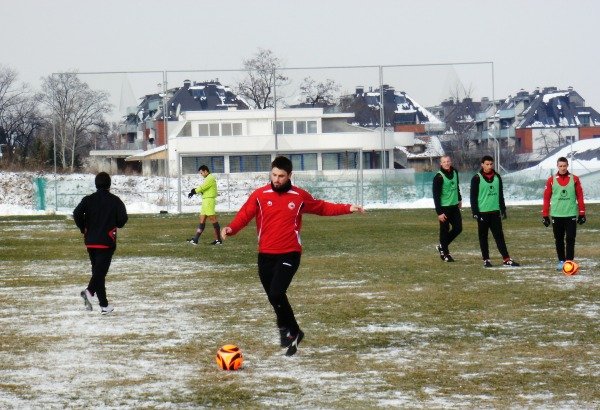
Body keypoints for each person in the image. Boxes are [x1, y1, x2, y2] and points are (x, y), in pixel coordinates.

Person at [221, 156, 365, 356]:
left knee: (276, 293)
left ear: (289, 176)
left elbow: (322, 207)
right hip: (265, 255)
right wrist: (231, 229)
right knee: (273, 297)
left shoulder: (299, 196)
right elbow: (245, 215)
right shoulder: (260, 195)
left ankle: (294, 331)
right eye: (274, 175)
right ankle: (283, 327)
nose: (277, 179)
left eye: (281, 176)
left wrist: (348, 208)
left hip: (289, 253)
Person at [74, 172, 128, 314]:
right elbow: (123, 220)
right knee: (100, 273)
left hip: (91, 242)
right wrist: (114, 222)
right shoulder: (115, 200)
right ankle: (89, 292)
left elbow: (76, 213)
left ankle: (104, 305)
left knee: (98, 272)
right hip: (106, 241)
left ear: (96, 184)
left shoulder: (88, 200)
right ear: (109, 185)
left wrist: (83, 227)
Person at [470, 155, 520, 268]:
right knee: (483, 237)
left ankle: (506, 259)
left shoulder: (497, 177)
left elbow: (500, 194)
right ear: (482, 165)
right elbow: (473, 197)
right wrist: (475, 213)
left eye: (491, 164)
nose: (489, 166)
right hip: (483, 213)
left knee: (499, 236)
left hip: (495, 212)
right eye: (487, 164)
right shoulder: (476, 178)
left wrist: (503, 209)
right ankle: (486, 260)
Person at [542, 156, 586, 271]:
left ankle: (569, 261)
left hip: (570, 214)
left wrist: (582, 213)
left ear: (567, 166)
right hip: (556, 215)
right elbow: (546, 198)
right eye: (560, 166)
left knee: (570, 238)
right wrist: (545, 215)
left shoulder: (575, 179)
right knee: (559, 239)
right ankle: (561, 261)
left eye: (564, 166)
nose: (562, 168)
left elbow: (580, 196)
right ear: (557, 166)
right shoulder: (551, 180)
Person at [432, 155, 463, 262]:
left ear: (451, 162)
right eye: (444, 162)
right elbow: (436, 196)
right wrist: (439, 212)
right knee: (444, 231)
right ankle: (445, 253)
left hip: (454, 207)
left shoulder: (455, 172)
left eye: (448, 161)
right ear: (441, 163)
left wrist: (459, 199)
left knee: (458, 228)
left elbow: (457, 186)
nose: (446, 163)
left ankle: (442, 245)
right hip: (444, 208)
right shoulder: (438, 177)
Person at [187, 165, 222, 245]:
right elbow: (204, 189)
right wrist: (194, 191)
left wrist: (194, 191)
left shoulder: (210, 178)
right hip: (205, 201)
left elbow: (203, 187)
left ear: (206, 171)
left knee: (213, 219)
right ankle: (195, 239)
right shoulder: (207, 179)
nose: (201, 174)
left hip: (209, 201)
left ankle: (218, 240)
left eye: (202, 172)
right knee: (202, 220)